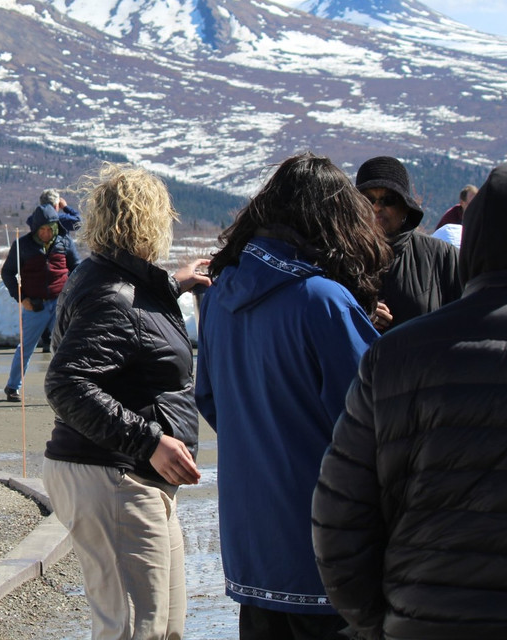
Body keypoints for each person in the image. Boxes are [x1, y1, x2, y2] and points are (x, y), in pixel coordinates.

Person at [195, 153, 391, 640]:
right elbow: (377, 421)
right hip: (329, 549)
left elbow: (209, 398)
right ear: (332, 220)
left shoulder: (219, 296)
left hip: (252, 547)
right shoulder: (321, 300)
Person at [313, 164, 507, 639]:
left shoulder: (395, 355)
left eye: (388, 200)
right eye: (369, 199)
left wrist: (376, 620)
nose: (378, 210)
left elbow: (339, 519)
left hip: (424, 612)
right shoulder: (334, 272)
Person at [43, 163, 207, 640]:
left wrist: (175, 283)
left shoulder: (111, 280)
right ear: (152, 221)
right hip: (114, 476)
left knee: (162, 629)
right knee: (136, 631)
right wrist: (150, 440)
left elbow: (130, 330)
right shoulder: (113, 294)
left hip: (132, 476)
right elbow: (67, 383)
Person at [355, 156, 461, 331]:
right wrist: (358, 314)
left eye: (388, 200)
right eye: (368, 200)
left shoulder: (442, 256)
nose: (376, 207)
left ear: (405, 207)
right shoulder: (339, 257)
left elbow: (467, 318)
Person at [0, 202, 80, 401]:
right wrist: (22, 299)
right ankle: (12, 387)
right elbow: (8, 272)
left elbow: (77, 268)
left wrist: (73, 294)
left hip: (60, 304)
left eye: (49, 229)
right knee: (26, 348)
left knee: (63, 347)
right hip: (34, 305)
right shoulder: (23, 245)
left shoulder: (65, 242)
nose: (46, 233)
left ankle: (65, 387)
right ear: (36, 229)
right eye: (42, 229)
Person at [35, 189, 81, 353]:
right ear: (55, 205)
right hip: (62, 263)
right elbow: (78, 221)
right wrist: (66, 207)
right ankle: (59, 338)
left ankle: (47, 339)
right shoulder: (61, 219)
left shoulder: (36, 222)